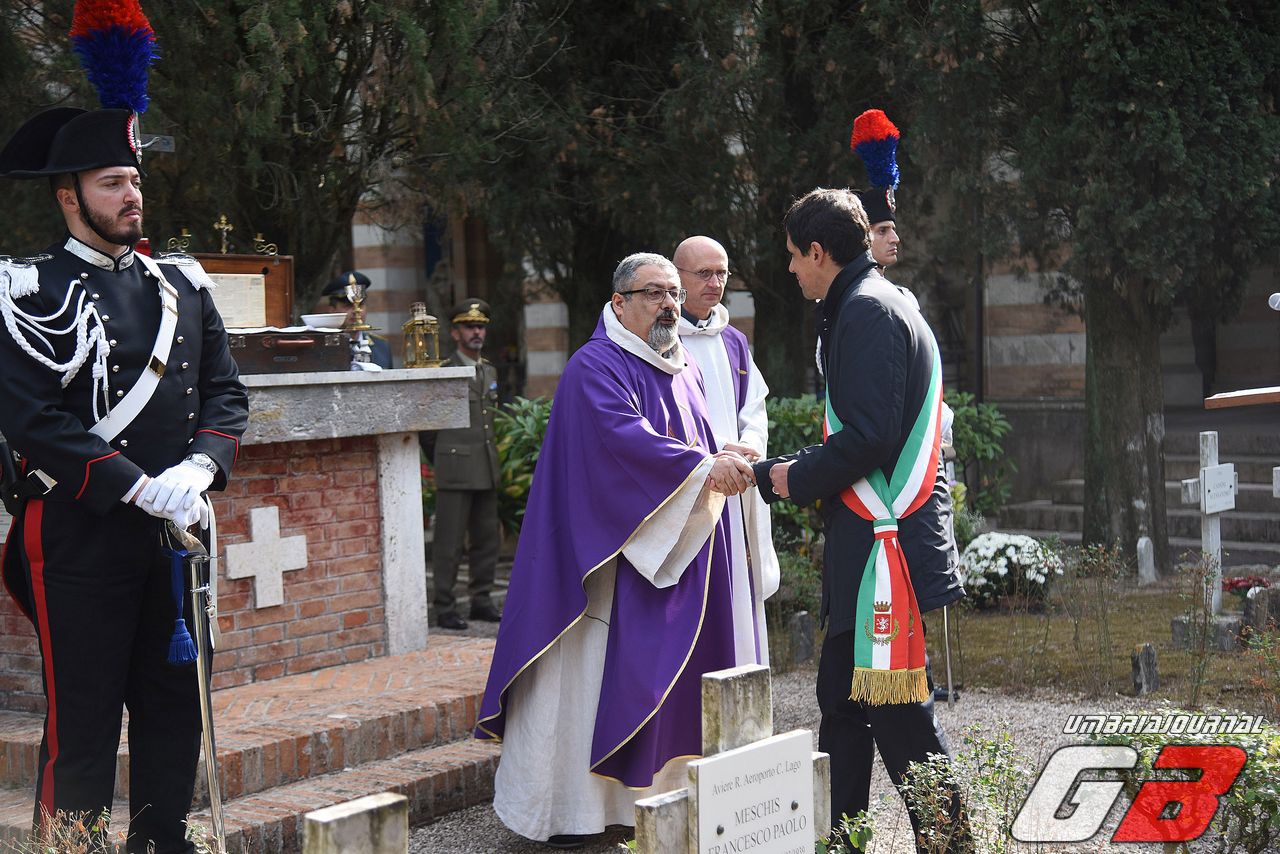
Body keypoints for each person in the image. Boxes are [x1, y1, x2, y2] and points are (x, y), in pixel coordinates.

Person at [0, 106, 248, 853]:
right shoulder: (27, 290)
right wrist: (137, 486)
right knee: (84, 719)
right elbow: (31, 419)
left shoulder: (184, 285)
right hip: (79, 535)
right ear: (69, 196)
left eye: (134, 180)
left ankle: (161, 844)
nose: (131, 195)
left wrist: (200, 466)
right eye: (111, 183)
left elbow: (225, 393)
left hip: (175, 536)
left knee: (174, 710)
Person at [474, 253, 756, 849]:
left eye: (673, 292)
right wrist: (702, 469)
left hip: (670, 545)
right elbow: (623, 444)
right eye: (654, 293)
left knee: (663, 681)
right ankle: (573, 812)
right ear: (619, 302)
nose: (669, 304)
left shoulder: (681, 365)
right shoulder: (594, 366)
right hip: (602, 564)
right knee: (589, 684)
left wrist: (721, 453)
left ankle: (647, 803)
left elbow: (689, 438)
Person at [753, 189, 970, 851]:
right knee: (843, 710)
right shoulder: (868, 301)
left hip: (884, 551)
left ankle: (953, 846)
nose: (791, 268)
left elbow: (871, 436)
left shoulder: (868, 309)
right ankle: (841, 841)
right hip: (872, 548)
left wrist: (790, 478)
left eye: (794, 255)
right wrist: (784, 467)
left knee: (900, 721)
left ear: (819, 252)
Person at [673, 235, 779, 666]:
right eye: (704, 273)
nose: (715, 283)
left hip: (735, 489)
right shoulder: (660, 339)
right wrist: (708, 462)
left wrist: (749, 449)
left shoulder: (733, 340)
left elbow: (755, 409)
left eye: (721, 273)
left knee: (737, 587)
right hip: (688, 490)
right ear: (677, 277)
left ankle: (741, 673)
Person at [421, 299, 501, 629]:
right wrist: (444, 458)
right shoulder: (445, 372)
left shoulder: (489, 370)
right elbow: (429, 429)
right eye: (469, 327)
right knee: (449, 544)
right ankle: (445, 605)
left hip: (485, 466)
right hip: (455, 469)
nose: (476, 332)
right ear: (455, 333)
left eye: (480, 326)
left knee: (487, 541)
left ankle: (481, 600)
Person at [317, 270, 393, 368]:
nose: (356, 311)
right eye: (348, 306)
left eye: (360, 305)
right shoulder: (321, 347)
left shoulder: (381, 347)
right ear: (332, 310)